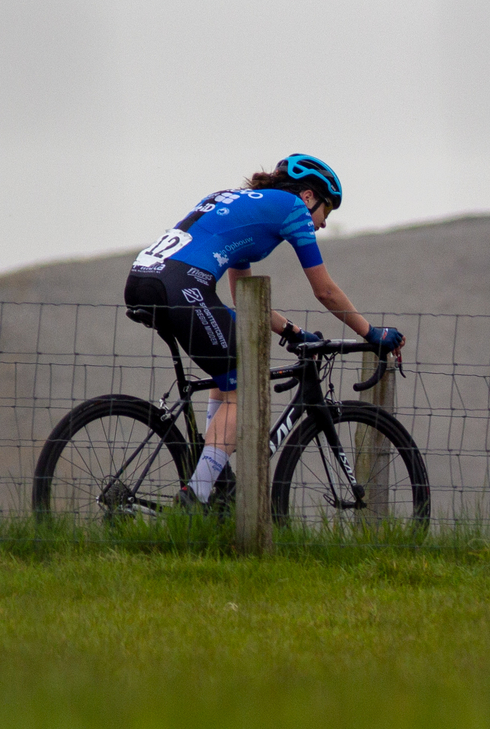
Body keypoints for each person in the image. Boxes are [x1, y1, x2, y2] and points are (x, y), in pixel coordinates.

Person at [124, 153, 405, 506]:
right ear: (308, 197)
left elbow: (244, 298)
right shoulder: (293, 210)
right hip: (182, 285)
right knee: (246, 387)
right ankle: (195, 498)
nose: (322, 224)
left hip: (145, 278)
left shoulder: (245, 205)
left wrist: (290, 331)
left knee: (232, 368)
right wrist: (371, 333)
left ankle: (216, 479)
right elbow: (325, 291)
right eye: (326, 211)